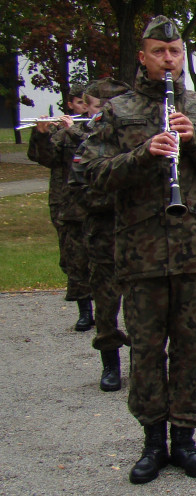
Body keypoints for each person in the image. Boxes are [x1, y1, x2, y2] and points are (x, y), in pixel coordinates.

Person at [80, 15, 196, 485]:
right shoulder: (118, 110)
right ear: (143, 56)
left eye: (174, 52)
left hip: (194, 248)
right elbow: (89, 176)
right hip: (142, 251)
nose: (168, 60)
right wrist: (141, 155)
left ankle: (186, 438)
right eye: (159, 52)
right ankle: (153, 442)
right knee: (148, 350)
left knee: (191, 348)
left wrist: (195, 142)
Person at [75, 79, 133, 391]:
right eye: (100, 108)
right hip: (104, 236)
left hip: (142, 239)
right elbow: (81, 189)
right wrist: (124, 198)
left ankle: (143, 360)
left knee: (144, 308)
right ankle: (110, 363)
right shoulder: (89, 143)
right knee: (107, 306)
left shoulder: (144, 139)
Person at [27, 86, 94, 330]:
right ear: (70, 105)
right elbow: (44, 158)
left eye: (86, 103)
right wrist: (41, 134)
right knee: (74, 260)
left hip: (97, 203)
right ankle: (85, 310)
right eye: (78, 103)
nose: (82, 108)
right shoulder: (62, 133)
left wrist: (74, 131)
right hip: (69, 206)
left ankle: (110, 310)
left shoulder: (97, 129)